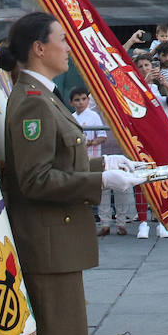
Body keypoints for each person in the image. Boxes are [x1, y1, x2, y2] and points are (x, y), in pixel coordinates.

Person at [0, 12, 145, 335]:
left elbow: (62, 163)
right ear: (38, 49)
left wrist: (108, 165)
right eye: (61, 40)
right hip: (46, 242)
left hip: (56, 239)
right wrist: (99, 182)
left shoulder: (45, 97)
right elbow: (36, 179)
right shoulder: (31, 102)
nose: (68, 47)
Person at [71, 87, 120, 235]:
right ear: (71, 102)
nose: (80, 103)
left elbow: (102, 136)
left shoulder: (93, 116)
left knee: (102, 189)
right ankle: (89, 222)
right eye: (77, 100)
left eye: (83, 99)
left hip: (94, 159)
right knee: (83, 191)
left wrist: (90, 143)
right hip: (78, 161)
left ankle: (116, 222)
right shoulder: (71, 117)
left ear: (88, 100)